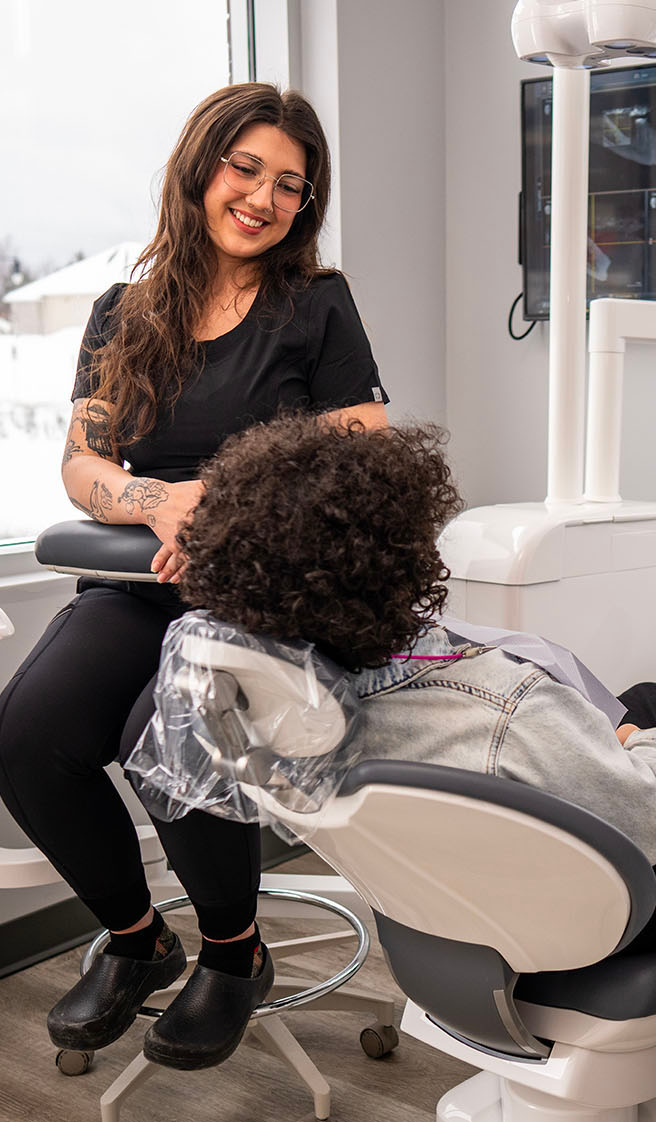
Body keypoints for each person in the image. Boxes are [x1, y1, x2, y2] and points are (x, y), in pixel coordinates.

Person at [167, 413, 656, 952]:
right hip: (635, 890)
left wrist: (634, 725)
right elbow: (653, 807)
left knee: (651, 698)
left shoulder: (290, 708)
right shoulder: (498, 707)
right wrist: (637, 744)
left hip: (480, 890)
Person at [0, 83, 389, 1072]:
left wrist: (214, 497)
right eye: (245, 168)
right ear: (200, 167)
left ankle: (233, 952)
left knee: (162, 738)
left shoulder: (316, 305)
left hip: (263, 597)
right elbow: (82, 467)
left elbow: (363, 445)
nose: (263, 197)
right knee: (28, 734)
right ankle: (138, 943)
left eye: (291, 186)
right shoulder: (121, 312)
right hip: (138, 586)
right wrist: (154, 502)